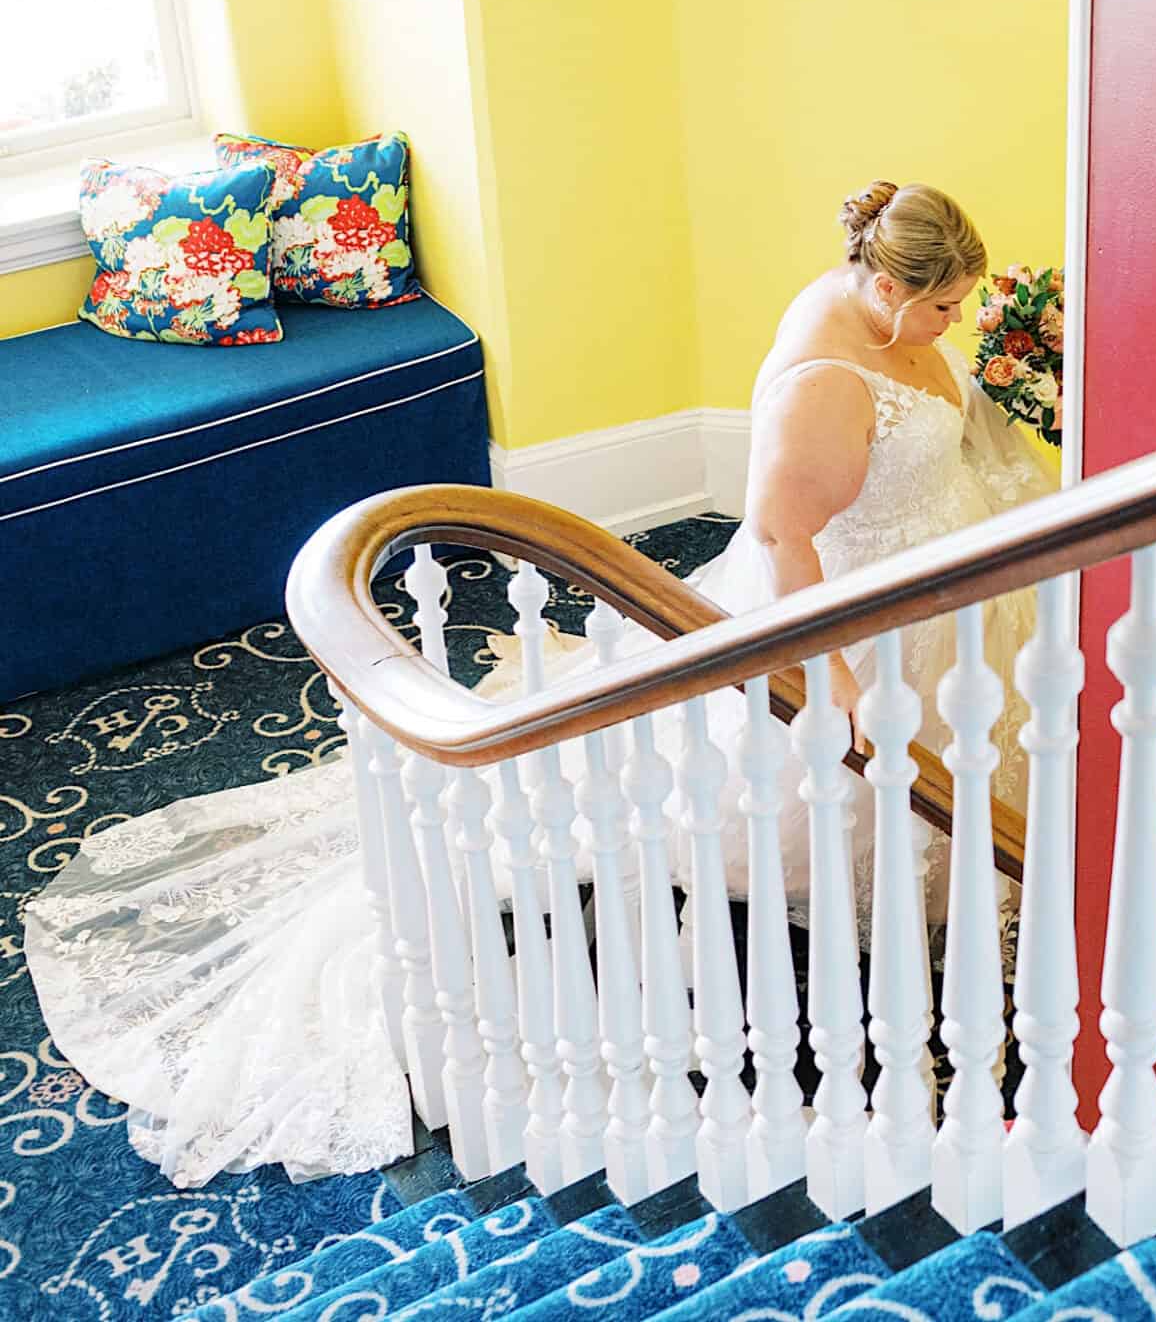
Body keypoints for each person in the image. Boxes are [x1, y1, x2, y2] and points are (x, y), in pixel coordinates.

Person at [24, 183, 1056, 1187]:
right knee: (828, 786)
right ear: (883, 290)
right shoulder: (827, 379)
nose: (954, 321)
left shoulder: (890, 319)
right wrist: (827, 672)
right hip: (861, 614)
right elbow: (785, 534)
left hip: (944, 586)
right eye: (943, 305)